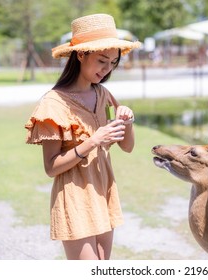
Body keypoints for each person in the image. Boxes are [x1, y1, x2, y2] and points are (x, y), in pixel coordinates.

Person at [25, 14, 141, 260]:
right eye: (101, 60)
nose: (107, 69)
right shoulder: (53, 104)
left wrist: (127, 122)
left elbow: (128, 147)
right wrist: (92, 142)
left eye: (112, 62)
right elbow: (51, 167)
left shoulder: (103, 94)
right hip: (75, 198)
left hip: (103, 191)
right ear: (81, 55)